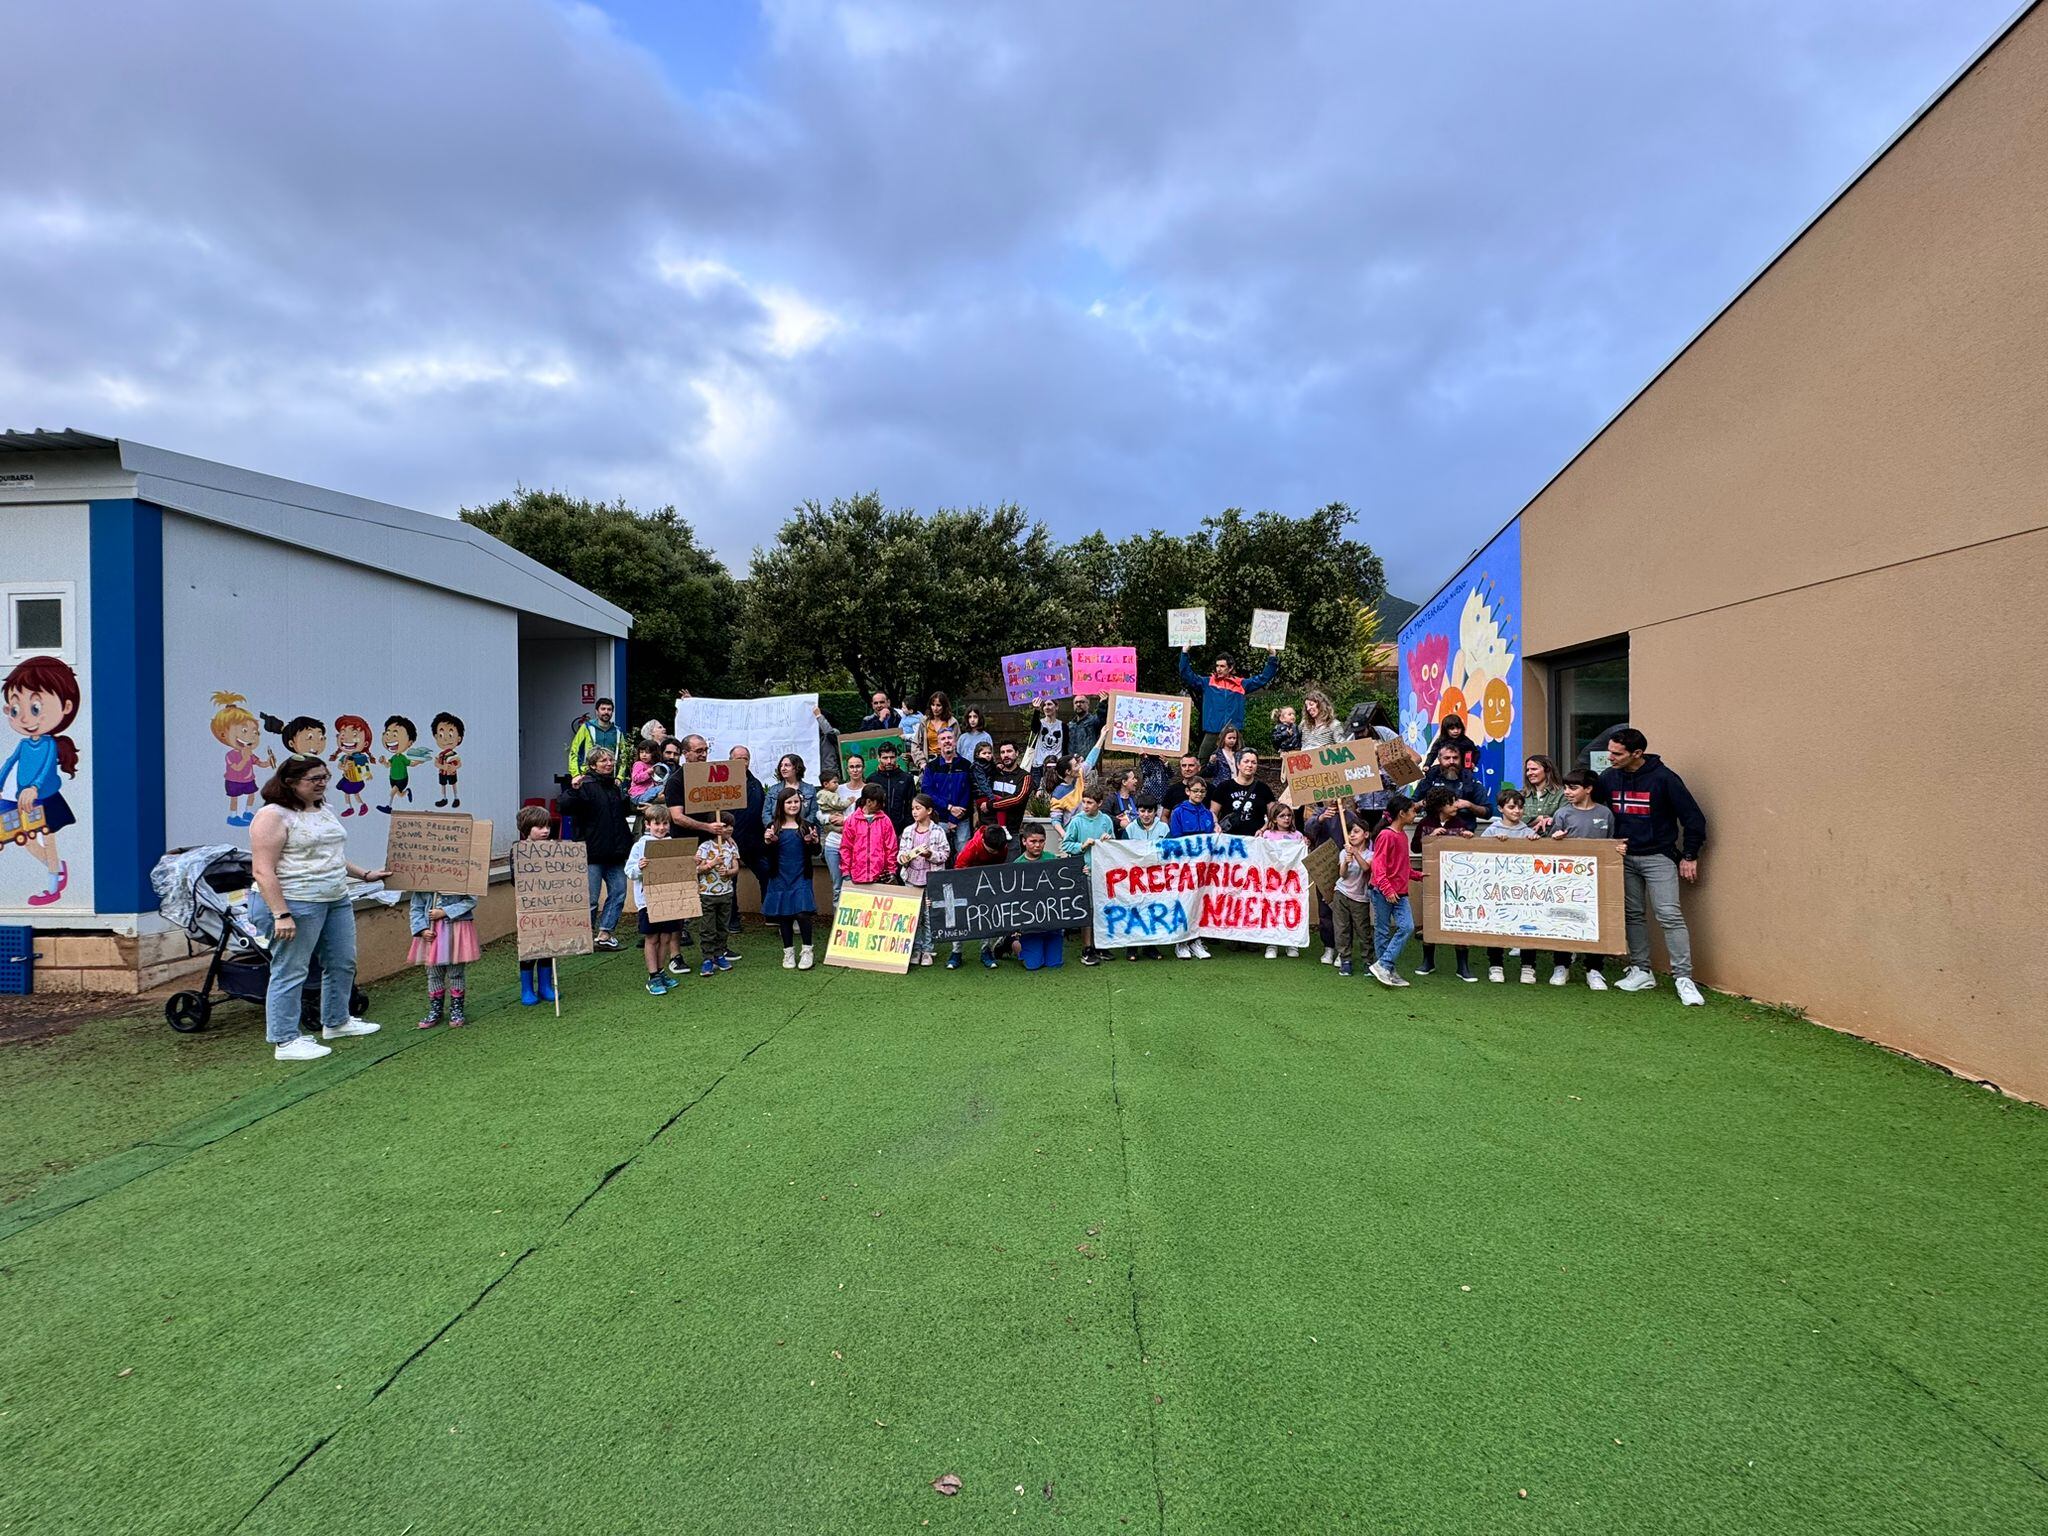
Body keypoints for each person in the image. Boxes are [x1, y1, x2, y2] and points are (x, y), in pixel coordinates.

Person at [247, 755, 388, 1061]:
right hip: (296, 901)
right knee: (291, 968)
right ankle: (285, 1040)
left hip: (335, 896)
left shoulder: (324, 808)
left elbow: (331, 854)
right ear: (290, 782)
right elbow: (262, 870)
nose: (322, 783)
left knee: (342, 961)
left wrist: (364, 874)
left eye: (325, 777)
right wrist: (281, 913)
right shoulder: (273, 815)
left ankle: (337, 1021)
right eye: (314, 779)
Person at [1600, 728, 1708, 1005]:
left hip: (1659, 857)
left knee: (1669, 914)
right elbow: (1590, 806)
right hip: (1622, 856)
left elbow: (1693, 818)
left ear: (1637, 754)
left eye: (1616, 753)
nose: (1609, 757)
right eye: (1610, 751)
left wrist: (1690, 855)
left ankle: (1683, 977)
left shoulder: (1664, 779)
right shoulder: (1609, 777)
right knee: (1633, 914)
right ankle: (1641, 970)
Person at [1549, 770, 1614, 991]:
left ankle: (1594, 969)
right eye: (1565, 787)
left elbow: (1611, 843)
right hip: (1566, 879)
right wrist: (1556, 839)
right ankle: (1561, 965)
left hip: (1596, 879)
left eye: (1573, 788)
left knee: (1595, 921)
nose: (1567, 792)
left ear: (1588, 789)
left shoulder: (1605, 813)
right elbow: (1549, 848)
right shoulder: (1562, 814)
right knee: (1563, 918)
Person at [562, 748, 632, 952]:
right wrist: (573, 789)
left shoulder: (615, 788)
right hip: (592, 853)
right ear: (593, 765)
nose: (609, 763)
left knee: (619, 892)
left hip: (616, 852)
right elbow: (564, 807)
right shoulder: (585, 786)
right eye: (603, 761)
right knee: (591, 899)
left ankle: (604, 934)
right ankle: (583, 937)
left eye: (611, 760)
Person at [1478, 788, 1541, 983]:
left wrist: (1535, 842)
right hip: (1498, 890)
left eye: (1520, 807)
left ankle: (1528, 967)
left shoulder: (1528, 832)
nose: (1517, 811)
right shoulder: (1492, 830)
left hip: (1524, 891)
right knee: (1496, 925)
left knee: (1528, 926)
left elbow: (1540, 858)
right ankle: (1495, 965)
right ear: (1501, 809)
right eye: (1512, 807)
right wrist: (1493, 843)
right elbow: (1478, 854)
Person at [1414, 789, 1476, 981]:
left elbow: (1468, 853)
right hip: (1432, 878)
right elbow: (1415, 847)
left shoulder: (1460, 823)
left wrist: (1467, 838)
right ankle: (1428, 961)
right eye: (1452, 803)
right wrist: (1431, 836)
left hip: (1456, 881)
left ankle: (1462, 966)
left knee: (1459, 918)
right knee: (1430, 918)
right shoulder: (1425, 824)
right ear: (1440, 806)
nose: (1456, 806)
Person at [1178, 644, 1280, 762]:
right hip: (1213, 731)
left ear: (1230, 668)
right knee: (1203, 763)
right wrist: (1184, 652)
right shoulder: (1207, 682)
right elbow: (1186, 675)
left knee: (1241, 763)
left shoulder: (1241, 684)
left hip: (1234, 732)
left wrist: (1272, 656)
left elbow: (1263, 678)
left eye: (1222, 666)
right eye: (1217, 666)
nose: (1218, 669)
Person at [625, 805, 686, 995]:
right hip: (648, 901)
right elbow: (629, 871)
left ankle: (660, 972)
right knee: (652, 938)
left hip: (669, 898)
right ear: (648, 824)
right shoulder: (640, 845)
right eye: (656, 824)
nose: (661, 827)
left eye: (665, 823)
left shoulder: (672, 843)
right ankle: (652, 976)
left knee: (666, 937)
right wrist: (640, 867)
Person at [763, 785, 820, 970]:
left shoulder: (807, 826)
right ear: (781, 804)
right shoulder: (773, 827)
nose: (793, 805)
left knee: (803, 913)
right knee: (784, 915)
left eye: (796, 801)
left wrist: (814, 842)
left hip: (801, 875)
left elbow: (815, 852)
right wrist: (768, 842)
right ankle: (788, 952)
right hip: (779, 876)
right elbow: (767, 854)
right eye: (789, 802)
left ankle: (807, 950)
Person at [408, 881, 480, 1029]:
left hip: (456, 932)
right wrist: (422, 930)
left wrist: (445, 911)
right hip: (432, 934)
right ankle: (436, 1010)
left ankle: (456, 1010)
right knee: (434, 974)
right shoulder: (423, 881)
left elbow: (470, 900)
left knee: (456, 973)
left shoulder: (462, 877)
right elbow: (416, 908)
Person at [1367, 794, 1418, 987]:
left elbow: (1400, 866)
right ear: (1402, 813)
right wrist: (1387, 889)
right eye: (1412, 811)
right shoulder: (1386, 836)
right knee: (1383, 930)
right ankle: (1386, 968)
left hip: (1398, 891)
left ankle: (1384, 965)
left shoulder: (1402, 835)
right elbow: (1379, 867)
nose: (1415, 814)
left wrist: (1417, 875)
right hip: (1383, 892)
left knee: (1406, 927)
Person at [1061, 788, 1117, 965]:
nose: (1085, 806)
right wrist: (1082, 846)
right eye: (1084, 802)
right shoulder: (1076, 821)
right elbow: (1066, 845)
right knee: (1088, 910)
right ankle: (1087, 948)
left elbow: (1114, 843)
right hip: (1085, 870)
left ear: (1099, 804)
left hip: (1102, 871)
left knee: (1101, 909)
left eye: (1090, 802)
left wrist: (1109, 840)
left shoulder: (1106, 820)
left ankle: (1100, 944)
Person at [896, 793, 950, 966]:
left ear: (929, 810)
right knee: (914, 916)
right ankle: (916, 948)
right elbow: (901, 852)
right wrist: (903, 858)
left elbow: (945, 854)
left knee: (929, 916)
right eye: (912, 808)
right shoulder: (907, 830)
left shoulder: (938, 831)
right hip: (911, 878)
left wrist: (930, 854)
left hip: (930, 879)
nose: (914, 812)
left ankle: (928, 950)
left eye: (918, 808)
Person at [515, 805, 561, 1005]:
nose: (545, 831)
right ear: (527, 829)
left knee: (547, 946)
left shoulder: (554, 850)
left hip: (549, 906)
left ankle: (545, 986)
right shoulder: (518, 851)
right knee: (529, 948)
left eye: (547, 827)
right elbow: (515, 880)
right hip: (528, 908)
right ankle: (527, 989)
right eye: (540, 827)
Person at [948, 821, 1011, 968]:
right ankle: (956, 952)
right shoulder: (971, 848)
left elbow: (1000, 867)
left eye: (997, 850)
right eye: (991, 850)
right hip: (966, 884)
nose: (995, 853)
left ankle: (986, 951)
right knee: (961, 917)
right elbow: (958, 868)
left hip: (988, 886)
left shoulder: (1001, 847)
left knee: (987, 916)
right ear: (983, 841)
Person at [1009, 825, 1066, 971]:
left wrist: (1080, 871)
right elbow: (1013, 898)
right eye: (1033, 841)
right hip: (1030, 924)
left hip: (1052, 921)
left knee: (1054, 964)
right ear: (1024, 841)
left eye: (1041, 841)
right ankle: (1012, 943)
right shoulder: (1017, 865)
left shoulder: (1052, 859)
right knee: (1033, 965)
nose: (1037, 845)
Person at [1120, 798, 1169, 961]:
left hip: (1156, 877)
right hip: (1135, 876)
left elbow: (1168, 851)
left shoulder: (1164, 828)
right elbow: (1122, 851)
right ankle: (1132, 947)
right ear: (1137, 812)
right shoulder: (1131, 828)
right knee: (1134, 909)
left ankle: (1150, 946)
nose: (1146, 815)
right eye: (1142, 811)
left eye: (1149, 811)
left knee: (1152, 909)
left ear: (1156, 812)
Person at [1410, 742, 1494, 838]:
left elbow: (1488, 812)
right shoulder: (1430, 778)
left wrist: (1470, 805)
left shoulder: (1470, 780)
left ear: (1461, 759)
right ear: (1439, 759)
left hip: (1464, 836)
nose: (1451, 762)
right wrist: (1423, 803)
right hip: (1432, 834)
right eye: (1447, 758)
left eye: (1455, 758)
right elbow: (1409, 807)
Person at [694, 815, 740, 976]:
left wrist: (728, 872)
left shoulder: (731, 846)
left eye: (731, 826)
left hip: (726, 893)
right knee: (708, 927)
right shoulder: (705, 847)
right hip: (707, 894)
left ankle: (719, 954)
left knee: (723, 926)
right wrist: (712, 864)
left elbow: (736, 868)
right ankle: (707, 958)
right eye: (725, 826)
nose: (729, 829)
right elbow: (697, 870)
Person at [919, 729, 975, 861]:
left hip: (962, 818)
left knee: (964, 855)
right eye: (943, 739)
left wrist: (954, 818)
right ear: (938, 743)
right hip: (939, 818)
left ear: (955, 741)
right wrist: (949, 808)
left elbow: (968, 792)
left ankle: (963, 881)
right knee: (937, 855)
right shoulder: (932, 767)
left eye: (949, 738)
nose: (947, 741)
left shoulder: (966, 765)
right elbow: (927, 791)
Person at [1259, 801, 1306, 959]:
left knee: (1290, 909)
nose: (1286, 819)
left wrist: (1304, 845)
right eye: (1282, 816)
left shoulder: (1298, 836)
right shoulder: (1267, 835)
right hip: (1272, 880)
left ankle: (1291, 942)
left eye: (1289, 815)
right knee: (1272, 909)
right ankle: (1272, 943)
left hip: (1291, 881)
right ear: (1273, 819)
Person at [1329, 816, 1373, 977]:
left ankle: (1368, 961)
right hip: (1341, 893)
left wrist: (1355, 854)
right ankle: (1345, 960)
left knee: (1363, 930)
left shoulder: (1370, 854)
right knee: (1342, 929)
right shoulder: (1343, 853)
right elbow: (1342, 875)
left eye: (1356, 831)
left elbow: (1366, 868)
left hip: (1360, 898)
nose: (1352, 835)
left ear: (1366, 834)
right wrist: (1346, 862)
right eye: (1349, 832)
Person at [840, 783, 900, 888]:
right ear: (868, 802)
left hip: (880, 877)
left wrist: (891, 870)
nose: (883, 805)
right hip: (857, 876)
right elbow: (846, 848)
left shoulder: (885, 821)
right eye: (880, 802)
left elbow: (891, 848)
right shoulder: (851, 821)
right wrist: (846, 871)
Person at [815, 763, 856, 904]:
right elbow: (819, 814)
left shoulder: (867, 789)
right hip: (833, 842)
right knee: (837, 884)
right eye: (851, 766)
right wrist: (829, 818)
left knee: (851, 882)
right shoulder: (837, 792)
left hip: (854, 843)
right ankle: (838, 920)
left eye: (858, 766)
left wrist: (846, 821)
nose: (855, 769)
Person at [1215, 750, 1276, 836]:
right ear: (1238, 764)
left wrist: (1262, 830)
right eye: (1246, 761)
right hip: (1229, 838)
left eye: (1254, 762)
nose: (1250, 765)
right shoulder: (1224, 787)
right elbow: (1213, 812)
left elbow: (1273, 815)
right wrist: (1215, 824)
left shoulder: (1263, 789)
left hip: (1255, 839)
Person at [763, 753, 819, 833]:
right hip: (778, 832)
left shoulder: (809, 789)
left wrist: (803, 827)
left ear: (797, 768)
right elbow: (766, 813)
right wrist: (774, 827)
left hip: (803, 833)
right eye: (781, 766)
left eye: (787, 765)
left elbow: (814, 813)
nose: (783, 768)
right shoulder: (773, 790)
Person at [870, 740, 918, 832]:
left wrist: (908, 827)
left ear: (896, 758)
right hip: (878, 829)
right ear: (878, 758)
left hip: (903, 829)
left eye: (892, 757)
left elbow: (912, 804)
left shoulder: (907, 778)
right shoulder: (872, 779)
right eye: (885, 758)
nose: (889, 761)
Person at [567, 697, 622, 777]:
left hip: (611, 777)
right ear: (597, 711)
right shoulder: (587, 727)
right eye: (603, 709)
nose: (606, 712)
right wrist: (576, 775)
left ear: (612, 712)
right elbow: (574, 751)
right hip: (588, 775)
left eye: (609, 709)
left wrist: (620, 777)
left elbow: (623, 756)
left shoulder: (617, 731)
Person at [1522, 755, 1566, 835]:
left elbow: (1565, 820)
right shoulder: (1521, 795)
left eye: (1534, 769)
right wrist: (1541, 818)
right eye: (1527, 770)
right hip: (1526, 841)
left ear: (1547, 770)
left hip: (1553, 841)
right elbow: (1514, 820)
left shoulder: (1562, 794)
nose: (1529, 773)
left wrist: (1532, 820)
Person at [1026, 697, 1065, 771]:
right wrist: (1036, 710)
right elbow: (1034, 728)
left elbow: (1065, 746)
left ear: (1056, 707)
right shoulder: (1040, 723)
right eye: (1044, 705)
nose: (1046, 707)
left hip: (1056, 765)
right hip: (1039, 764)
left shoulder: (1063, 726)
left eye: (1049, 704)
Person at [1067, 695, 1106, 763]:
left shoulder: (1094, 721)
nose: (1078, 704)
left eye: (1082, 702)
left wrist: (1102, 704)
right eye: (1076, 702)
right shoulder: (1070, 725)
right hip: (1072, 766)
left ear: (1088, 705)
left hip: (1088, 764)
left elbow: (1102, 718)